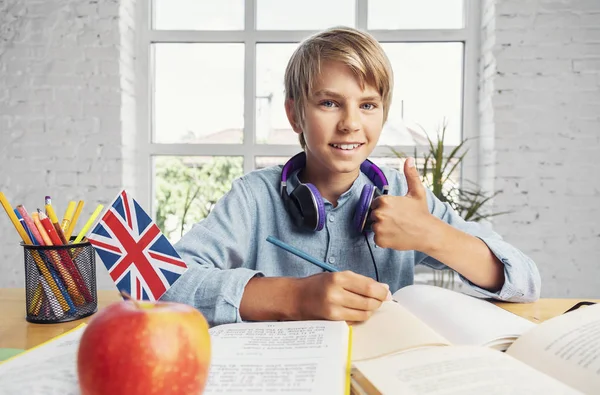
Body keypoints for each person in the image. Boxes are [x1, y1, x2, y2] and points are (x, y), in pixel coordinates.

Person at [161, 26, 541, 327]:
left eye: (368, 105)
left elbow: (524, 281)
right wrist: (294, 298)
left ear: (383, 113)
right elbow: (161, 281)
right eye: (329, 103)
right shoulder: (252, 198)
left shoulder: (401, 196)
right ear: (295, 115)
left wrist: (432, 233)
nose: (351, 124)